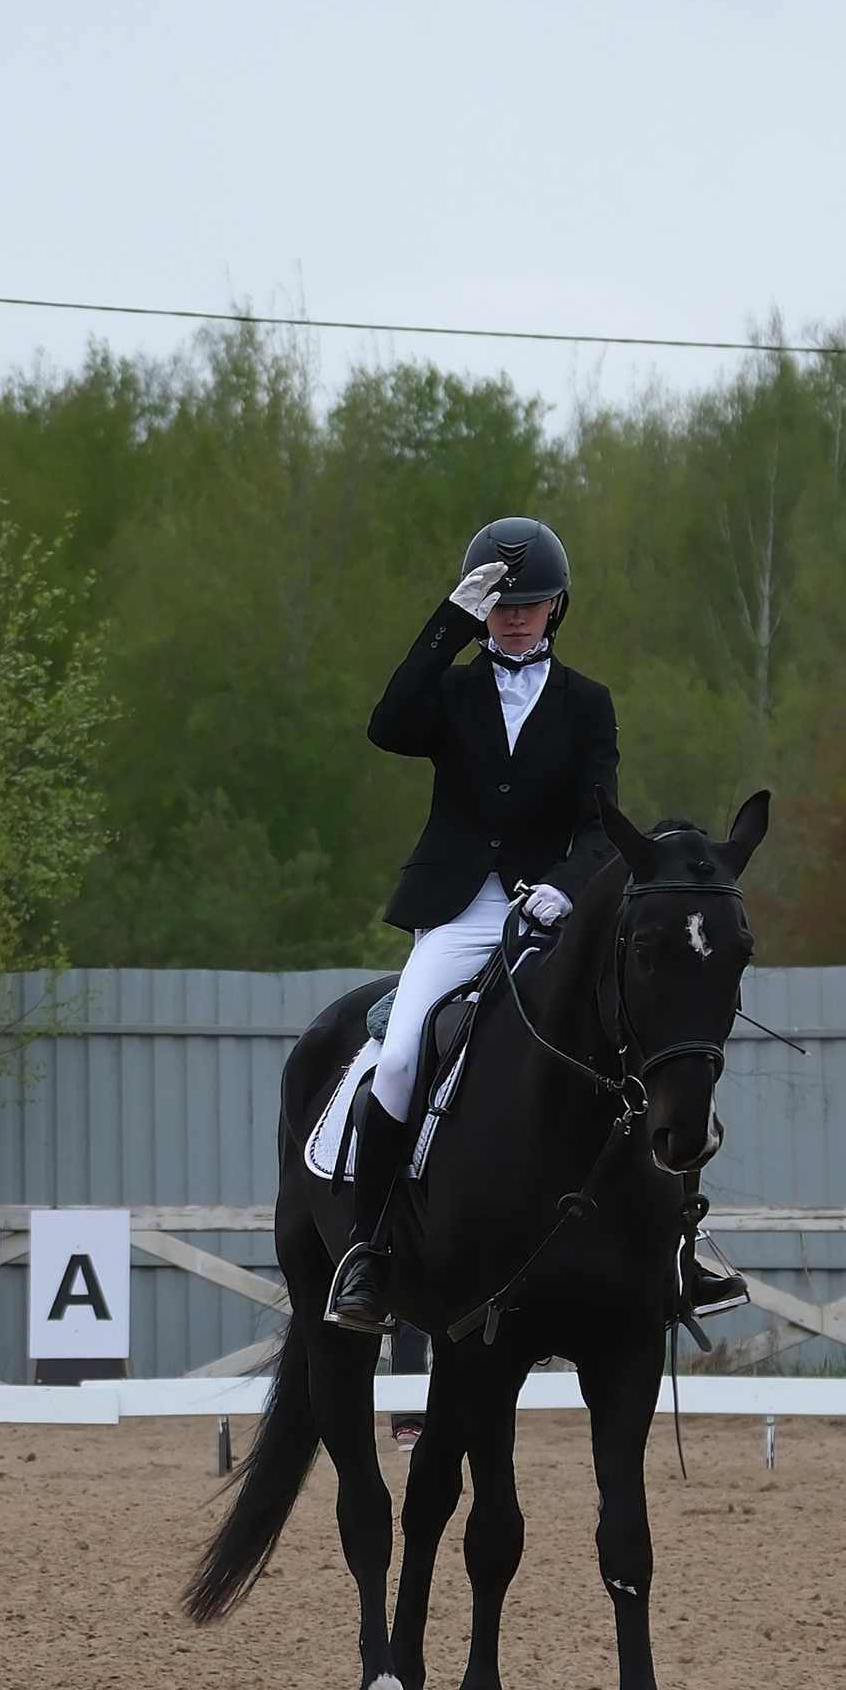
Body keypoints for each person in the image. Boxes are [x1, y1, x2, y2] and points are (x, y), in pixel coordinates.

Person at [325, 518, 621, 1332]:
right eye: (499, 604)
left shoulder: (588, 703)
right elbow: (387, 723)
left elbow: (602, 827)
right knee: (399, 1059)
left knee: (626, 1040)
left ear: (557, 606)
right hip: (457, 913)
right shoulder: (453, 691)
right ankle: (369, 1250)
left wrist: (566, 888)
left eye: (529, 603)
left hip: (545, 912)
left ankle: (666, 1245)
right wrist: (450, 620)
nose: (515, 617)